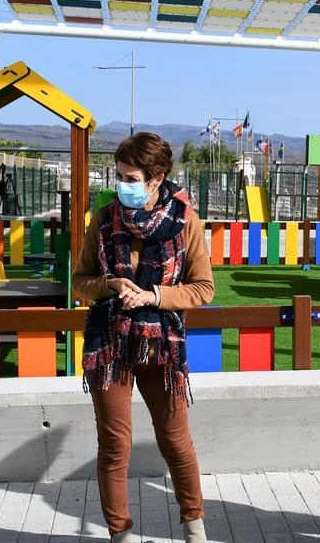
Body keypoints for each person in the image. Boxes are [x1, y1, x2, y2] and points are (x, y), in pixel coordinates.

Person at [73, 132, 214, 543]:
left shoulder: (185, 221)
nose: (122, 185)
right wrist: (110, 285)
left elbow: (203, 288)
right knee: (115, 444)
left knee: (175, 440)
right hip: (109, 345)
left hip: (161, 343)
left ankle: (194, 526)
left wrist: (155, 294)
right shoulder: (102, 219)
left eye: (131, 177)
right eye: (119, 175)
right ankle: (121, 533)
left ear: (156, 179)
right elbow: (80, 282)